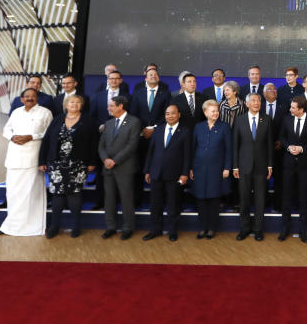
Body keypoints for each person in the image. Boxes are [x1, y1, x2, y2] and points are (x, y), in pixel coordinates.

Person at [0, 89, 53, 237]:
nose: (30, 99)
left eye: (33, 97)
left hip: (33, 158)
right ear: (21, 99)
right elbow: (6, 129)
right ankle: (11, 225)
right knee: (13, 193)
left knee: (31, 193)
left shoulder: (45, 113)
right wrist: (13, 137)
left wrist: (31, 136)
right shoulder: (16, 112)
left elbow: (49, 134)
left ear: (37, 98)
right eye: (26, 97)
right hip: (14, 158)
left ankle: (34, 226)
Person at [38, 94, 95, 238]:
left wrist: (92, 162)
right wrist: (42, 161)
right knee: (58, 195)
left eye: (77, 102)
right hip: (56, 164)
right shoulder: (57, 119)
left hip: (78, 164)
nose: (74, 104)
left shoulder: (88, 121)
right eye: (71, 102)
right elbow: (46, 140)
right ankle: (54, 226)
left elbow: (94, 143)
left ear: (81, 105)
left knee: (74, 194)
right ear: (66, 105)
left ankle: (76, 226)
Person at [143, 104, 192, 242]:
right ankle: (155, 230)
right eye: (167, 114)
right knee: (155, 204)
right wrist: (147, 170)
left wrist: (184, 173)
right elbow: (151, 152)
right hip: (156, 173)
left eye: (173, 113)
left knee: (173, 205)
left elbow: (187, 155)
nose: (170, 116)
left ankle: (172, 231)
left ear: (179, 115)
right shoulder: (158, 130)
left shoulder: (185, 131)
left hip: (175, 175)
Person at [98, 95, 142, 240]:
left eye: (111, 105)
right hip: (108, 167)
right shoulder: (109, 123)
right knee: (109, 199)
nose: (108, 108)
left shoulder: (134, 122)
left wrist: (115, 161)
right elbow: (101, 145)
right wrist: (105, 159)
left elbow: (132, 145)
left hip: (125, 167)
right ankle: (110, 227)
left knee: (126, 199)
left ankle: (128, 228)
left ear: (120, 106)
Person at [278, 96, 307, 242]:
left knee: (304, 198)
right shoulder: (287, 119)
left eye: (293, 108)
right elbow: (282, 137)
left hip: (305, 165)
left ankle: (303, 230)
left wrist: (302, 149)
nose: (290, 110)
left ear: (301, 109)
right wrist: (288, 146)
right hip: (288, 164)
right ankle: (285, 229)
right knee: (287, 197)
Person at [233, 94, 273, 241]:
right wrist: (235, 166)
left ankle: (258, 229)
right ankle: (244, 228)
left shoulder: (267, 119)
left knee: (260, 199)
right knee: (244, 199)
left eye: (259, 101)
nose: (257, 103)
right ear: (247, 103)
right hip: (243, 166)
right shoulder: (240, 120)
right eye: (254, 101)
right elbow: (235, 144)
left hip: (261, 166)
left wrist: (270, 164)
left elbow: (269, 144)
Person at [191, 100, 231, 239]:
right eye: (213, 111)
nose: (216, 113)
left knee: (214, 199)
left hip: (217, 168)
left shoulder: (224, 127)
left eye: (217, 111)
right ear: (205, 112)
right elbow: (193, 148)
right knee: (200, 199)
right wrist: (191, 168)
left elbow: (228, 150)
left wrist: (227, 167)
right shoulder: (198, 127)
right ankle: (203, 228)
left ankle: (212, 228)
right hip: (199, 168)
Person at [129, 67, 171, 134]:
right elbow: (133, 112)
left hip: (158, 131)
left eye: (155, 74)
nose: (153, 76)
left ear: (159, 78)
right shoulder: (138, 93)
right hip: (141, 131)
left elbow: (167, 113)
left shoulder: (166, 93)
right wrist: (142, 128)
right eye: (151, 75)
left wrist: (155, 128)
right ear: (145, 79)